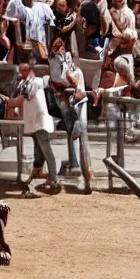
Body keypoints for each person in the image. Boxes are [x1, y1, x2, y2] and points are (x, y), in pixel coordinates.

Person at [48, 36, 91, 190]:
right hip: (67, 105)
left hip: (79, 104)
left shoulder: (77, 71)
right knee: (71, 133)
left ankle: (84, 170)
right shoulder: (56, 66)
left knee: (81, 131)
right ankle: (74, 164)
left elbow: (78, 89)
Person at [11, 62, 59, 193]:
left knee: (46, 150)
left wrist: (12, 101)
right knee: (39, 152)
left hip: (41, 122)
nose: (22, 73)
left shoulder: (36, 81)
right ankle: (39, 176)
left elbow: (26, 94)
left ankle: (54, 178)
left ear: (30, 71)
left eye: (25, 70)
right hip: (33, 123)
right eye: (21, 71)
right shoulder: (24, 83)